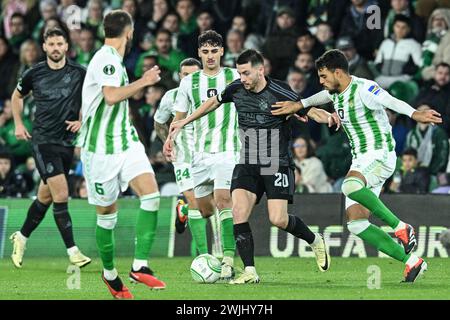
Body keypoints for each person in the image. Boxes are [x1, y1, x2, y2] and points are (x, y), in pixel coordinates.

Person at [271, 49, 442, 282]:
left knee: (349, 185)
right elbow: (318, 98)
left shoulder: (365, 89)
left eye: (323, 77)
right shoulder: (335, 91)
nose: (321, 82)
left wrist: (414, 114)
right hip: (362, 159)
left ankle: (401, 227)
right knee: (357, 223)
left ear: (338, 72)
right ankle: (411, 261)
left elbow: (389, 100)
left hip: (380, 154)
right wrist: (298, 105)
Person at [169, 49, 333, 284]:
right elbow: (212, 103)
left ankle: (315, 240)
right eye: (240, 73)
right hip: (247, 159)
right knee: (238, 212)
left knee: (278, 219)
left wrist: (327, 117)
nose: (242, 78)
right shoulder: (236, 89)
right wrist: (184, 120)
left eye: (246, 73)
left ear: (260, 70)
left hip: (274, 161)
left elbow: (306, 108)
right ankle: (250, 271)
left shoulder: (279, 91)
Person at [76, 10, 165, 299]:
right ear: (129, 31)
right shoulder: (106, 58)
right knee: (107, 216)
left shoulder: (112, 59)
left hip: (126, 143)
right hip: (99, 152)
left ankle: (140, 266)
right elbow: (111, 96)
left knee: (151, 195)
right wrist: (145, 81)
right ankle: (110, 274)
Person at [9, 28, 91, 269]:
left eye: (59, 44)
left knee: (45, 196)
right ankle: (73, 251)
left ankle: (21, 237)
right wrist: (18, 124)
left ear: (67, 46)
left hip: (66, 143)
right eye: (51, 44)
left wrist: (82, 119)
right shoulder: (34, 73)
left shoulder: (79, 73)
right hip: (43, 141)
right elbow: (16, 97)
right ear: (44, 47)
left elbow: (93, 98)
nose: (55, 48)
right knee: (62, 194)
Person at [163, 30, 240, 280]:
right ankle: (189, 218)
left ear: (222, 52)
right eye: (205, 52)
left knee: (223, 200)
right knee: (203, 209)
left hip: (228, 150)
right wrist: (170, 138)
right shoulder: (189, 83)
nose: (209, 56)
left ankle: (227, 259)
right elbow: (179, 117)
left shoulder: (234, 76)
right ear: (199, 53)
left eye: (214, 51)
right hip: (200, 153)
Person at [154, 58, 206, 247]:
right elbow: (159, 122)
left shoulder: (211, 96)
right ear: (179, 76)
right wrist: (168, 143)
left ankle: (183, 210)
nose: (189, 78)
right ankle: (204, 256)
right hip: (182, 156)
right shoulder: (171, 96)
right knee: (194, 200)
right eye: (185, 75)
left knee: (208, 204)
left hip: (209, 154)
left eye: (193, 75)